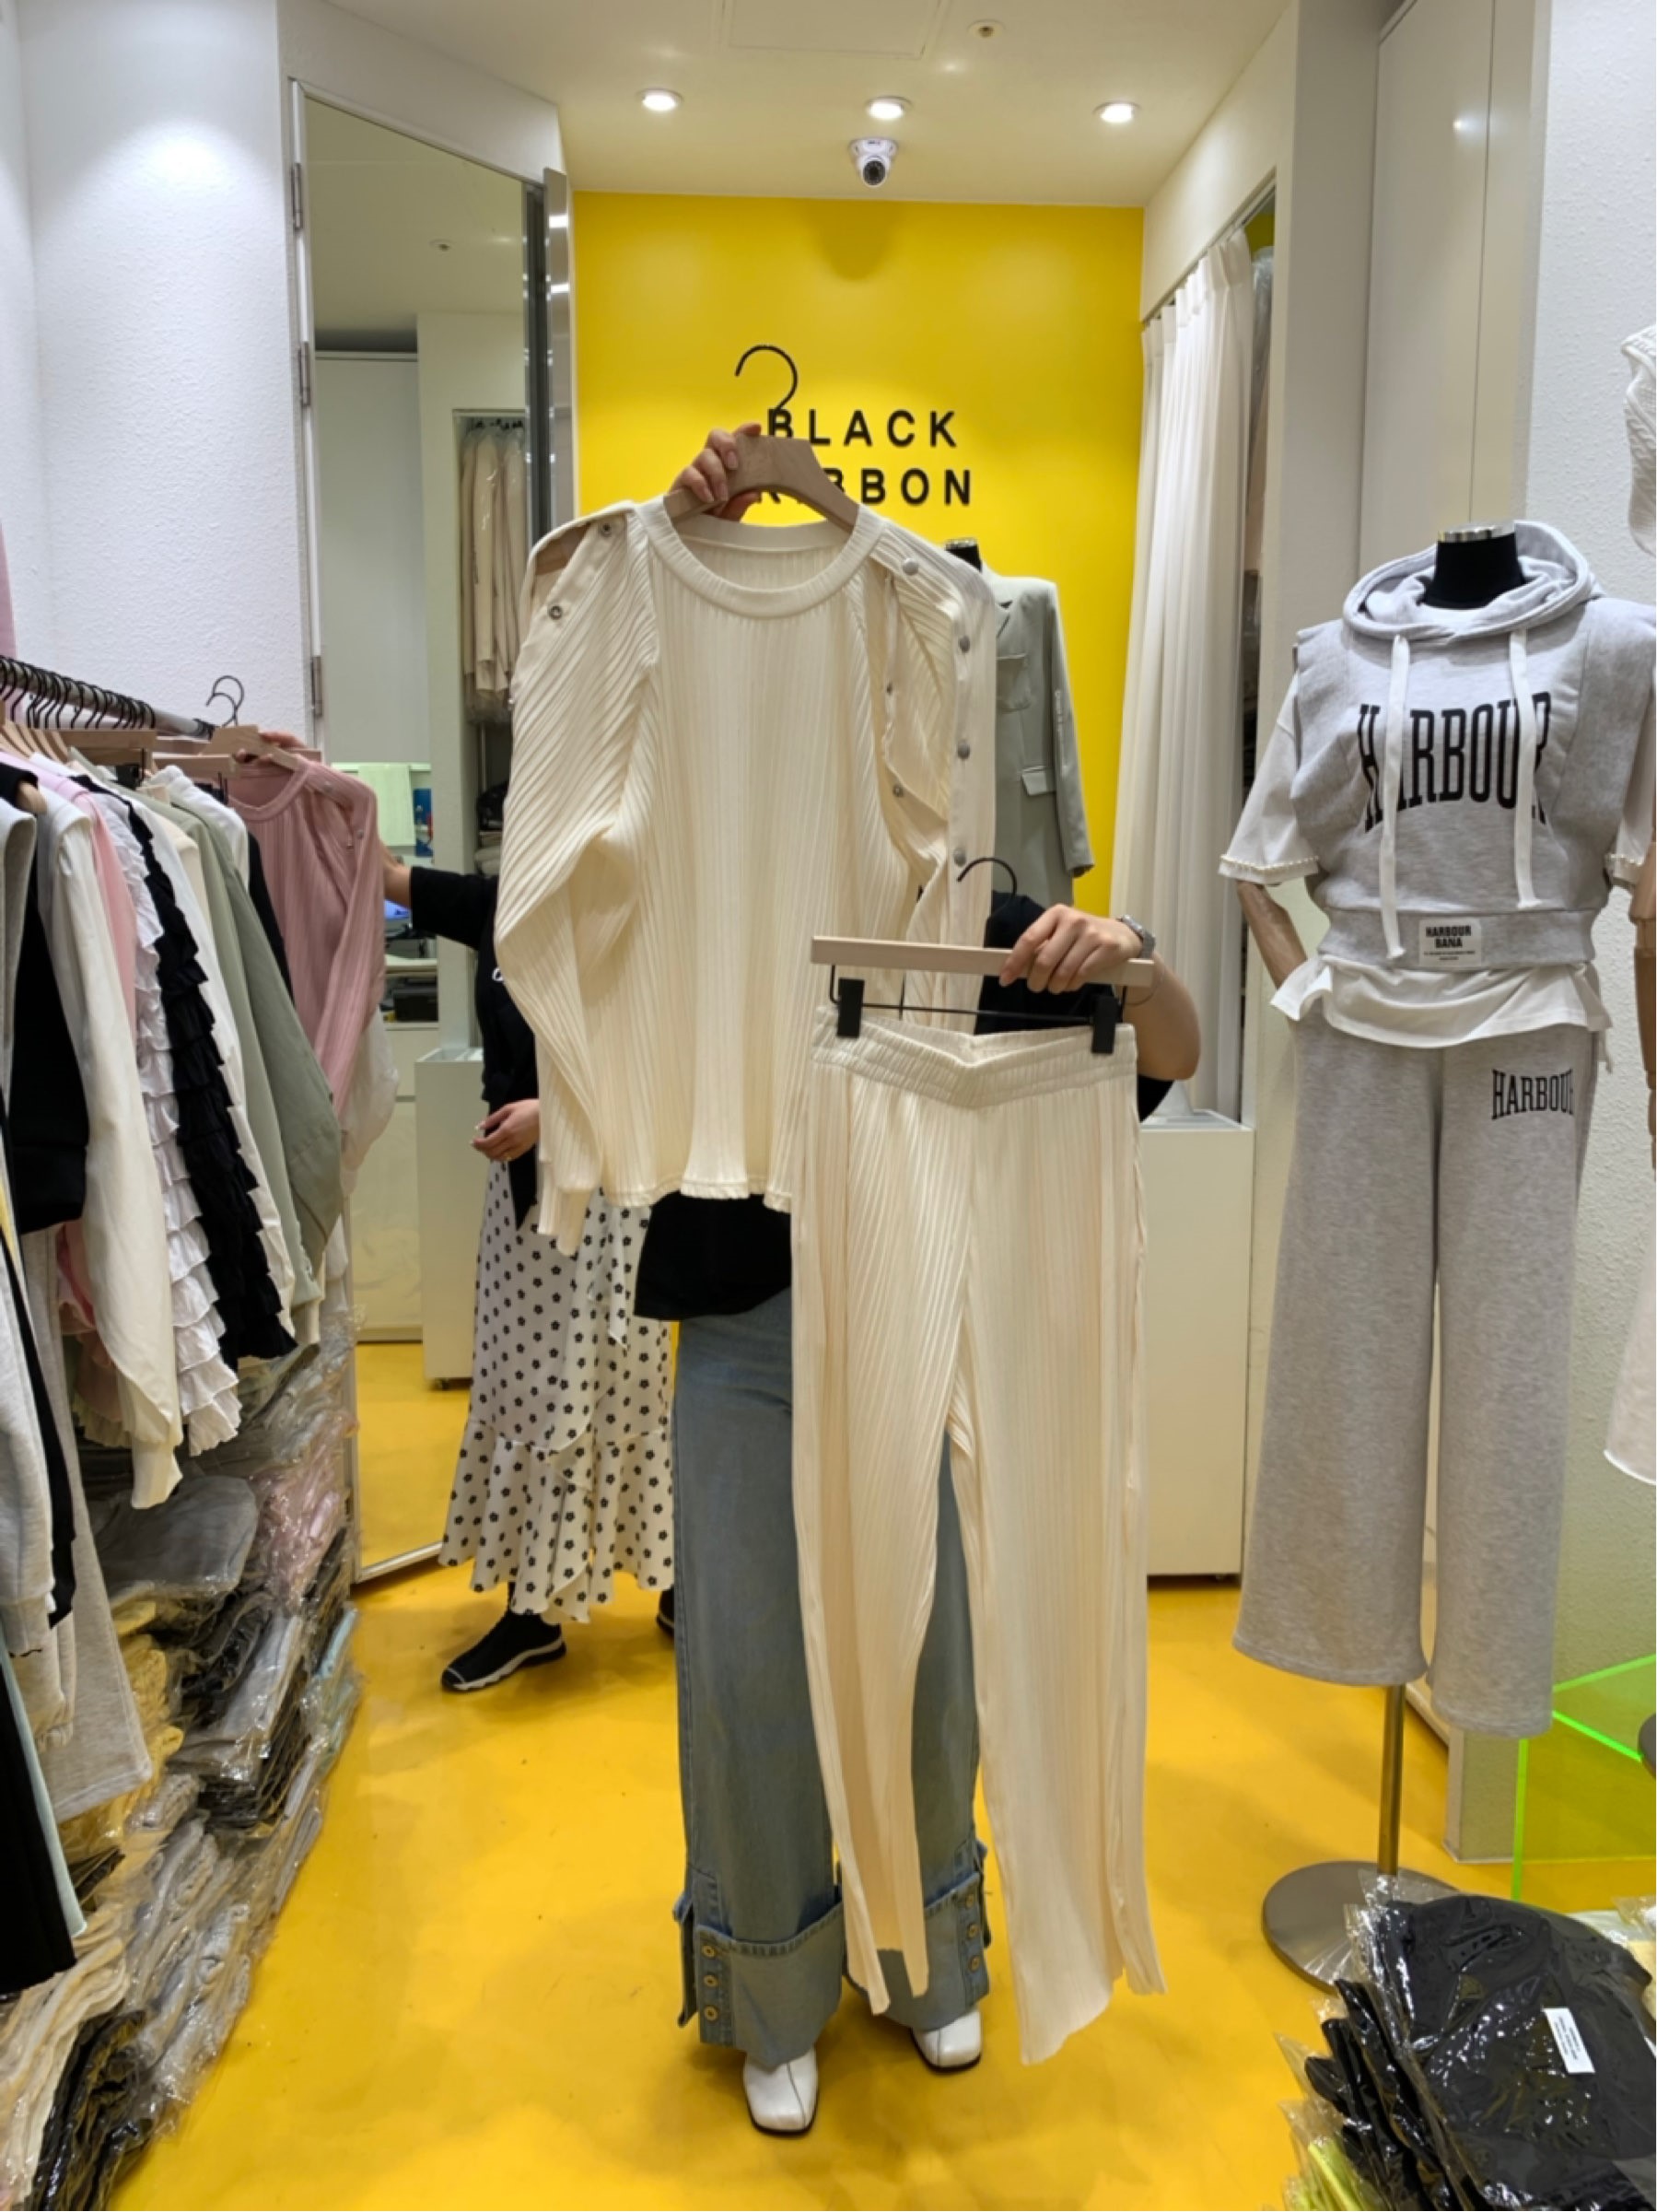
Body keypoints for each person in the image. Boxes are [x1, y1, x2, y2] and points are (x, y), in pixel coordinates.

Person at [650, 426, 1201, 2132]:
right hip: (746, 1312)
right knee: (751, 1665)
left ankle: (925, 1954)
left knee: (930, 1661)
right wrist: (678, 549)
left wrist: (1129, 955)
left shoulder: (964, 891)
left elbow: (1166, 1050)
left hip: (922, 1321)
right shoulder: (702, 853)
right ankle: (771, 1971)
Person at [380, 850, 675, 1691]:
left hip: (604, 1191)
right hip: (520, 1197)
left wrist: (552, 1115)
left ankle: (657, 1581)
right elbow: (383, 874)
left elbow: (664, 1060)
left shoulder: (632, 911)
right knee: (529, 1391)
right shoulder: (504, 903)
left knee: (615, 1386)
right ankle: (535, 1606)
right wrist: (307, 792)